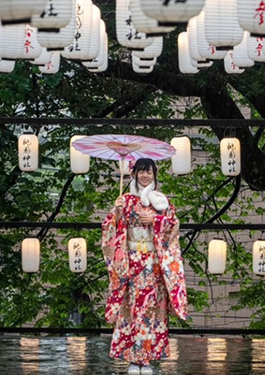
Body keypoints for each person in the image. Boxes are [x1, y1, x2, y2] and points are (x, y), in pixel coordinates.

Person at [101, 158, 188, 375]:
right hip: (131, 262)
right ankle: (133, 359)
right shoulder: (126, 200)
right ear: (134, 174)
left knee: (150, 310)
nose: (145, 176)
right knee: (132, 310)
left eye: (148, 172)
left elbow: (173, 227)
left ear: (154, 174)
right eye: (141, 172)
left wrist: (156, 222)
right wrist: (118, 212)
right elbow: (110, 227)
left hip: (152, 262)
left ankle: (145, 360)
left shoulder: (161, 202)